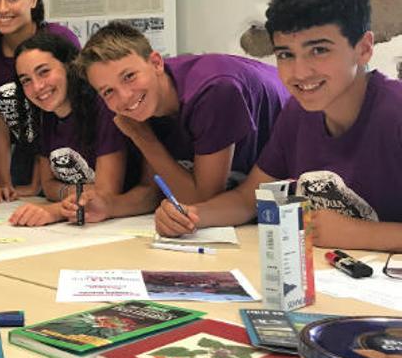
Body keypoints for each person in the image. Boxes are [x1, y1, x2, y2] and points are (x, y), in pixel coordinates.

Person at [155, 0, 402, 252]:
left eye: (319, 50)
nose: (299, 72)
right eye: (285, 54)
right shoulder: (298, 113)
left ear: (364, 48)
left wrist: (362, 234)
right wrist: (190, 215)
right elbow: (248, 199)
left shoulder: (394, 112)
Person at [71, 22, 289, 222]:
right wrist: (108, 206)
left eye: (129, 76)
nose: (125, 96)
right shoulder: (142, 105)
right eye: (108, 91)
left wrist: (143, 137)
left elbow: (202, 201)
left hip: (291, 183)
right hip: (247, 198)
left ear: (156, 63)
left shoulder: (213, 91)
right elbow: (154, 189)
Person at [0, 0, 80, 203]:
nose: (2, 8)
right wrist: (5, 183)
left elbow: (60, 116)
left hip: (66, 153)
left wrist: (39, 183)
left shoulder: (58, 40)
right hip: (21, 158)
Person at [8, 33, 129, 226]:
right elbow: (47, 186)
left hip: (124, 223)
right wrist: (82, 190)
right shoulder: (46, 114)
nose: (37, 86)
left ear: (68, 65)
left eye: (44, 72)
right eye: (26, 80)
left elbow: (107, 193)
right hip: (87, 222)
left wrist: (56, 210)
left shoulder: (104, 108)